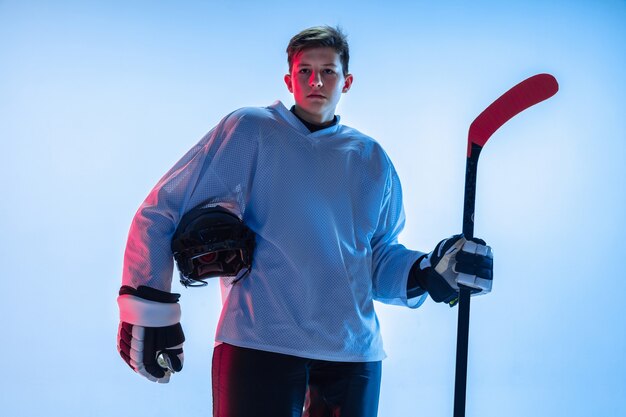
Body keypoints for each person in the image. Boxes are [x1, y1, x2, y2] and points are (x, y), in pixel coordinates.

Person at [116, 25, 493, 417]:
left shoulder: (371, 158)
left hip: (353, 357)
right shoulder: (250, 131)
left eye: (328, 71)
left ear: (346, 81)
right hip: (259, 344)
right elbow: (163, 209)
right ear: (289, 80)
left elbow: (378, 258)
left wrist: (427, 270)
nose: (316, 80)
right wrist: (148, 301)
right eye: (305, 71)